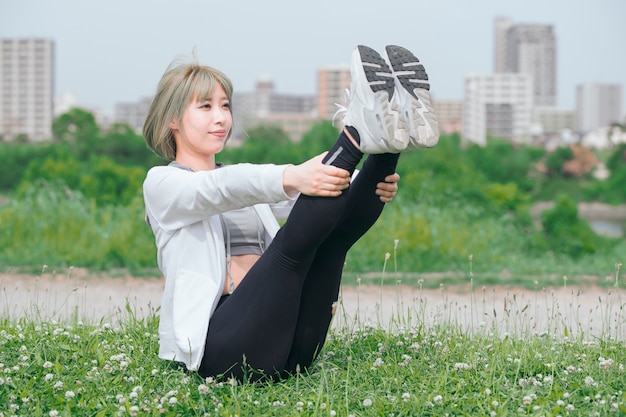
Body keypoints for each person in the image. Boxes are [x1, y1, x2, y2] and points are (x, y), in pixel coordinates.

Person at [142, 44, 439, 382]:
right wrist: (292, 174)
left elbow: (308, 198)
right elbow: (220, 187)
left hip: (290, 346)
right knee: (289, 252)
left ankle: (388, 141)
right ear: (172, 119)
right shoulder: (162, 185)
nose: (221, 117)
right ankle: (357, 132)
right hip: (222, 349)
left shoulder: (248, 190)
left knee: (331, 237)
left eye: (225, 106)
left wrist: (371, 180)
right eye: (206, 106)